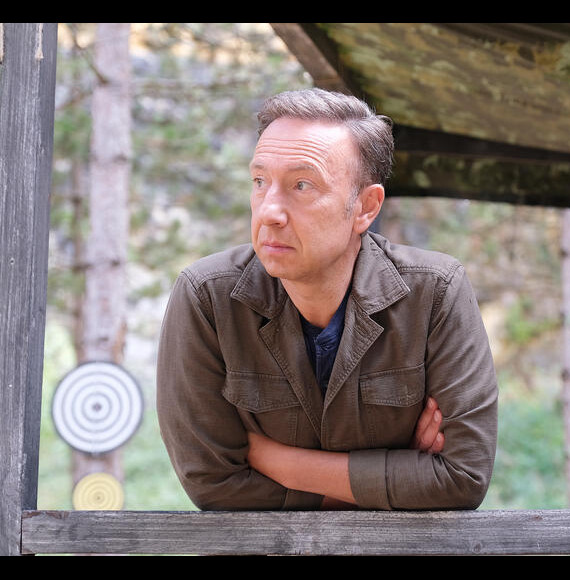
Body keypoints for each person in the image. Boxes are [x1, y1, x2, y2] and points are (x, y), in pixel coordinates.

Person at [156, 88, 498, 511]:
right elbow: (212, 484)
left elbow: (461, 479)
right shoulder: (207, 297)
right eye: (260, 182)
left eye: (302, 185)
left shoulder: (434, 292)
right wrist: (393, 477)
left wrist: (276, 461)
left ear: (365, 208)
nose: (269, 212)